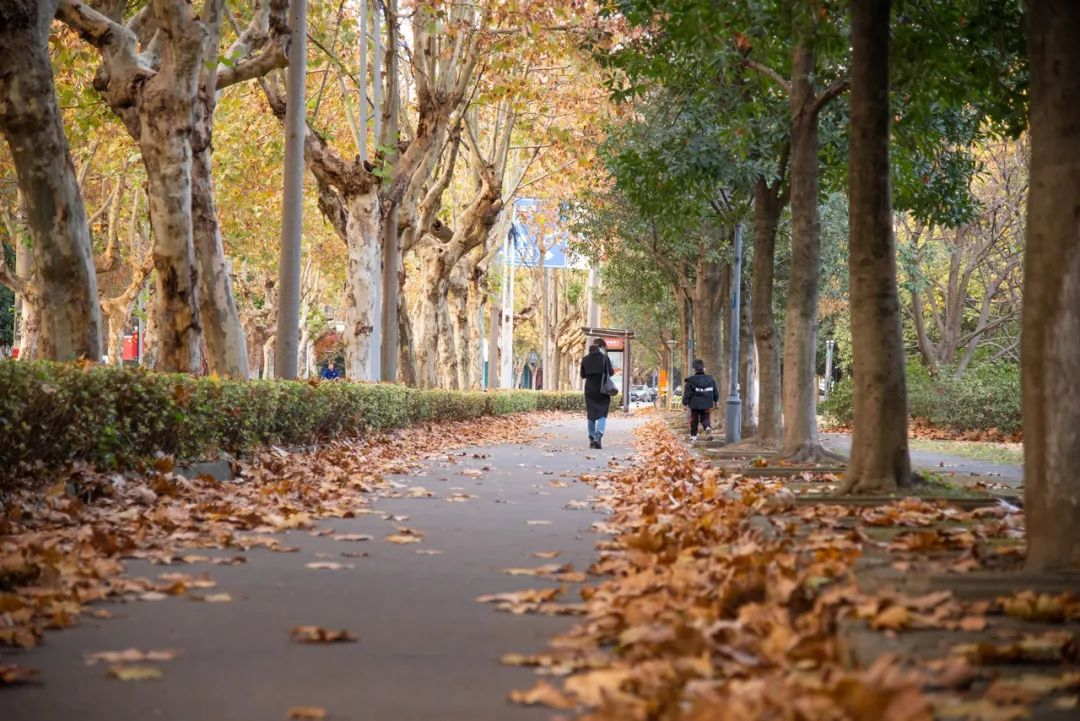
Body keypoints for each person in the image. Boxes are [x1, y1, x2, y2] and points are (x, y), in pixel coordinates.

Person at [580, 339, 615, 449]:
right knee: (602, 413)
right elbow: (611, 372)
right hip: (602, 389)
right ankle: (598, 436)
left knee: (591, 415)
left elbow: (583, 375)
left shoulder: (585, 359)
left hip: (589, 389)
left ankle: (591, 438)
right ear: (602, 347)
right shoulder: (605, 358)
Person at [682, 358, 719, 441]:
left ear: (694, 369)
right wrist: (716, 401)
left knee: (694, 419)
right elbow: (715, 391)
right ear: (704, 368)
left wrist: (685, 403)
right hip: (706, 403)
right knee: (705, 418)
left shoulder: (690, 381)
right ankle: (707, 427)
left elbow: (687, 393)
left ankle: (693, 436)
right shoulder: (710, 379)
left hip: (695, 404)